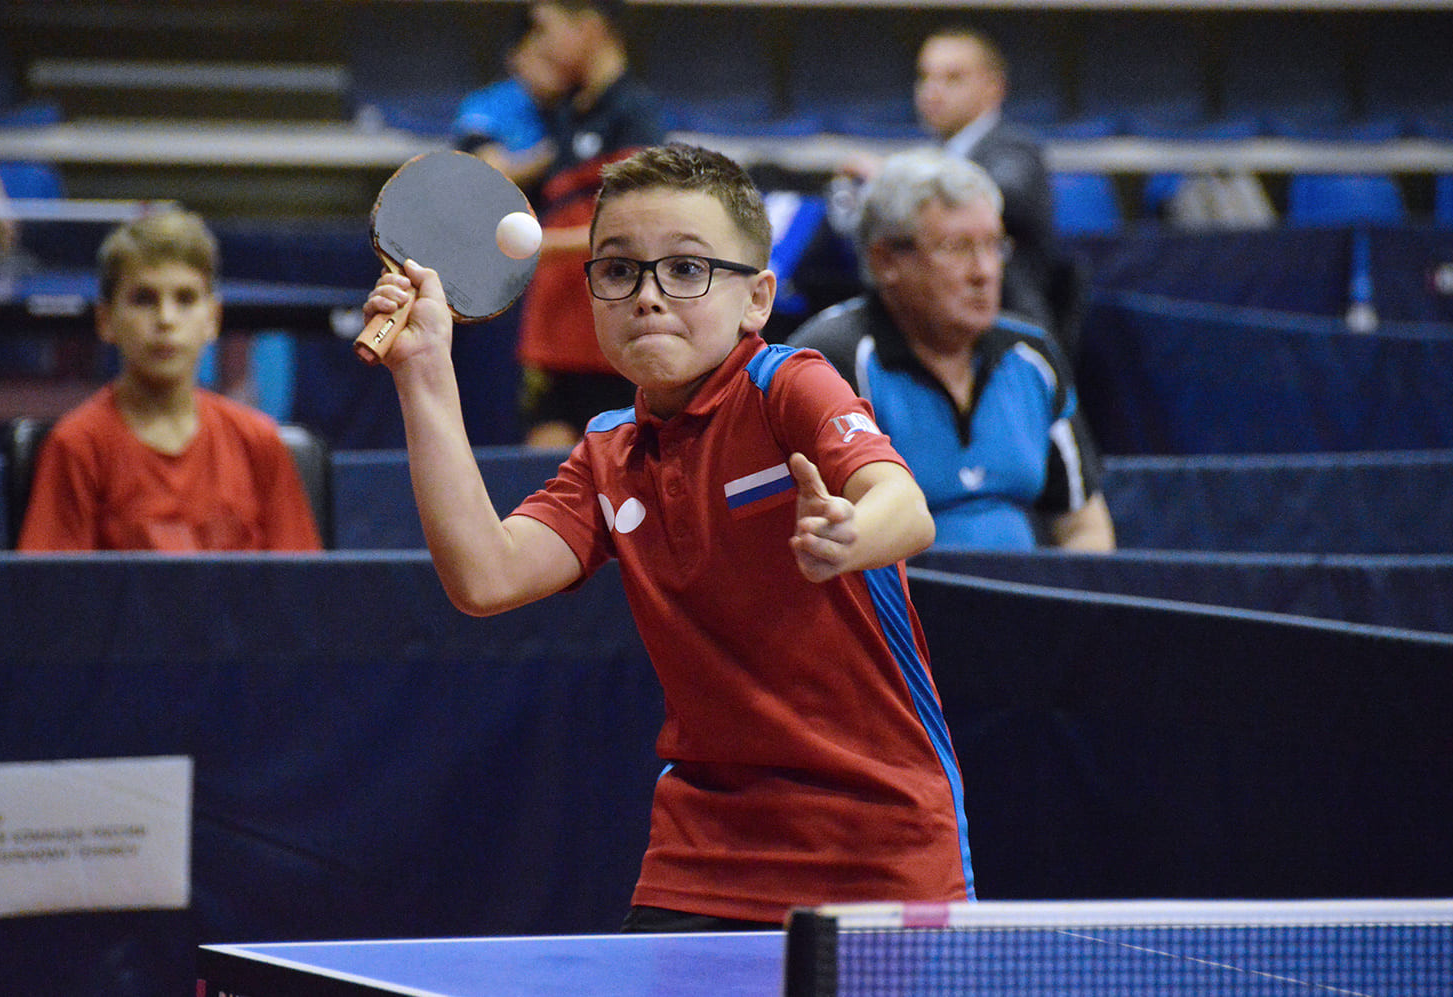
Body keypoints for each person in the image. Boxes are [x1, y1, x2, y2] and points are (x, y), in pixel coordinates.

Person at [361, 143, 974, 929]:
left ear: (757, 299)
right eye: (619, 270)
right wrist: (424, 372)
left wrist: (852, 533)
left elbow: (904, 505)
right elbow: (486, 576)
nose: (647, 296)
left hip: (878, 836)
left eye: (686, 269)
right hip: (706, 846)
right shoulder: (608, 452)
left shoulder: (787, 385)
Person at [787, 149, 1114, 552]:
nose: (984, 271)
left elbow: (1085, 528)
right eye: (956, 247)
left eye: (994, 245)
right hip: (898, 591)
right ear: (885, 260)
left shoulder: (1033, 355)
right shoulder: (829, 359)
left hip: (1028, 591)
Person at [17, 208, 323, 551]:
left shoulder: (259, 443)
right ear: (105, 320)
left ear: (213, 318)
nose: (165, 319)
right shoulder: (76, 447)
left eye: (185, 298)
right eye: (144, 299)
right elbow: (50, 584)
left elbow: (300, 582)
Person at [837, 26, 1058, 335]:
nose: (932, 91)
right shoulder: (941, 153)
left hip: (1006, 328)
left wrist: (893, 179)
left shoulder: (1015, 149)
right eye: (925, 77)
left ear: (994, 87)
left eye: (953, 78)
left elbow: (1004, 192)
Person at [513, 0, 665, 448]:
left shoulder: (634, 113)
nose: (539, 45)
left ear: (589, 26)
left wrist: (538, 247)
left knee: (619, 475)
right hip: (551, 340)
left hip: (608, 342)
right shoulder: (565, 112)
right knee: (544, 478)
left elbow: (635, 227)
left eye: (546, 29)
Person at [452, 27, 569, 199]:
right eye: (544, 58)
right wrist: (558, 153)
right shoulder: (486, 104)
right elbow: (493, 172)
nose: (554, 69)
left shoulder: (574, 104)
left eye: (558, 60)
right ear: (516, 56)